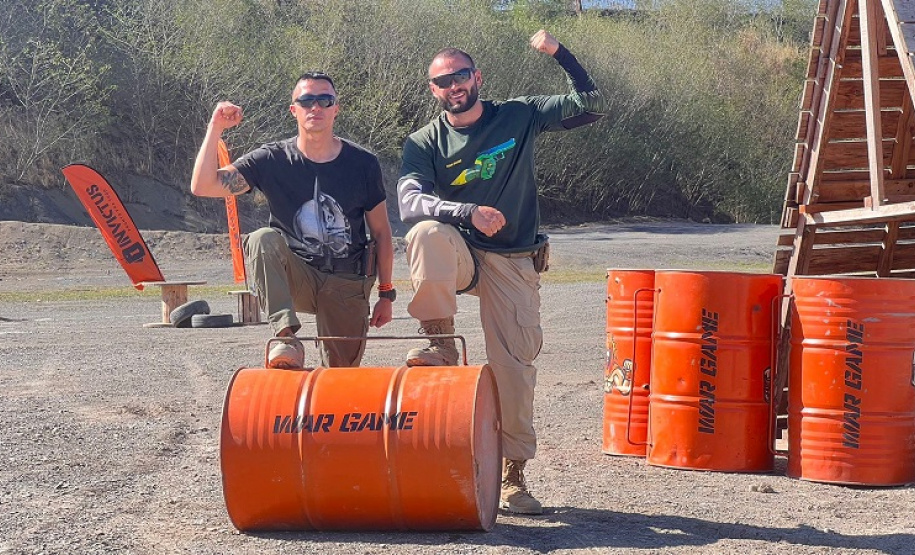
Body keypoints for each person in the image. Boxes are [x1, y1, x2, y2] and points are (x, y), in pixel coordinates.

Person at [397, 30, 604, 515]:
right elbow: (409, 200)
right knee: (424, 233)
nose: (454, 86)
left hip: (514, 258)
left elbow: (593, 103)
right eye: (443, 80)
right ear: (433, 89)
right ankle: (440, 341)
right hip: (463, 250)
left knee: (514, 368)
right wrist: (467, 212)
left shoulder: (518, 114)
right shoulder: (424, 141)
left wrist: (560, 53)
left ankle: (514, 474)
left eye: (461, 75)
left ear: (477, 78)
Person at [190, 71, 395, 368]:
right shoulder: (272, 159)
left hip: (347, 282)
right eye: (306, 100)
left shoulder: (363, 163)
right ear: (294, 110)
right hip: (297, 277)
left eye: (324, 100)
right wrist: (215, 128)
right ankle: (286, 338)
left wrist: (386, 295)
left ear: (336, 108)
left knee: (342, 376)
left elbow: (382, 232)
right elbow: (203, 186)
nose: (316, 108)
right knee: (262, 239)